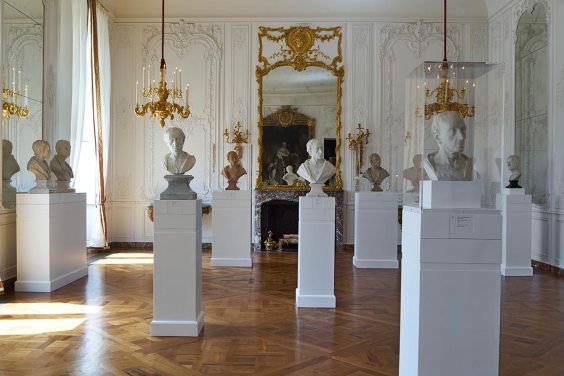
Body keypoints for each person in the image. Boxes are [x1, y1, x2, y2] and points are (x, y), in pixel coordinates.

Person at [423, 111, 473, 181]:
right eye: (453, 131)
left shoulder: (471, 165)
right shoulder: (428, 168)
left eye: (463, 130)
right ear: (438, 137)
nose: (461, 137)